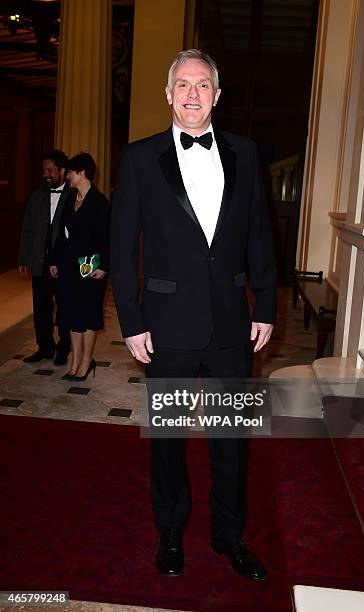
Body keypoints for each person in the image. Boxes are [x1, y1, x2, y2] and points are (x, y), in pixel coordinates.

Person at [110, 49, 277, 580]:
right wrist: (132, 320)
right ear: (168, 94)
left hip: (232, 324)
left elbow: (258, 235)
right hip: (166, 326)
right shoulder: (140, 158)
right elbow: (121, 249)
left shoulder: (246, 154)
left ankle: (230, 537)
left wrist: (266, 303)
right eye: (182, 84)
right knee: (169, 442)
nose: (191, 94)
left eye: (202, 85)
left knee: (231, 441)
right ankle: (170, 535)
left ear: (217, 96)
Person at [49, 152, 110, 381]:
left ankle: (86, 362)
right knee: (71, 315)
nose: (67, 177)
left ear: (81, 172)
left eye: (71, 173)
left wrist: (104, 265)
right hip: (69, 267)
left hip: (91, 267)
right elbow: (61, 236)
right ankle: (74, 360)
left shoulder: (99, 202)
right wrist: (54, 260)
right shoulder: (69, 200)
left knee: (88, 315)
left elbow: (107, 238)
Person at [18, 149, 71, 365]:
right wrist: (24, 258)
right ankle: (45, 347)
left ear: (62, 170)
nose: (46, 174)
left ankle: (64, 347)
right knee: (41, 307)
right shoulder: (37, 196)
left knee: (65, 307)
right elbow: (27, 229)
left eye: (50, 170)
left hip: (63, 264)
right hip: (40, 262)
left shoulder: (73, 194)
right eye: (44, 170)